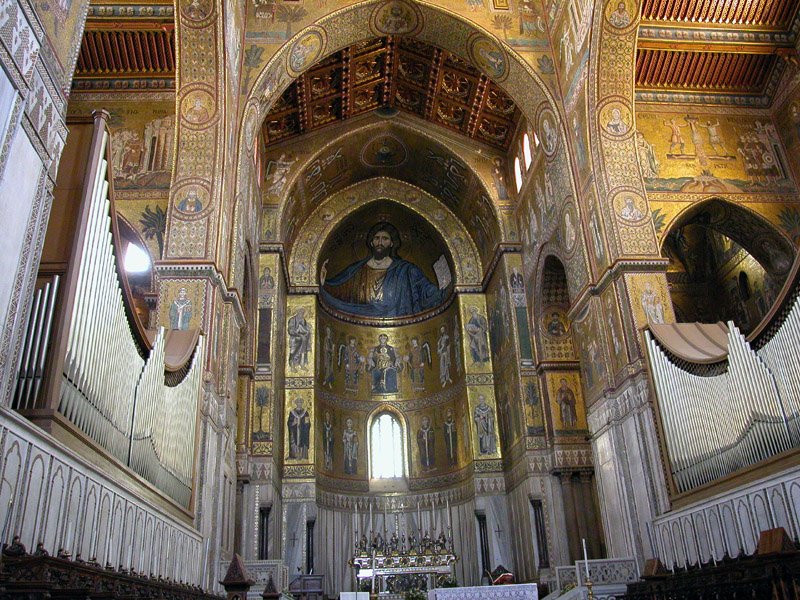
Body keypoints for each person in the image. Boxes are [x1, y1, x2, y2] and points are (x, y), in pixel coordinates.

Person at [319, 222, 448, 318]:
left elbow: (426, 291)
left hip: (402, 325)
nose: (380, 242)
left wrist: (445, 287)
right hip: (360, 316)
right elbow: (338, 290)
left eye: (385, 239)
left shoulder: (407, 270)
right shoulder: (356, 269)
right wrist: (324, 282)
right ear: (371, 242)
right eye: (376, 238)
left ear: (392, 243)